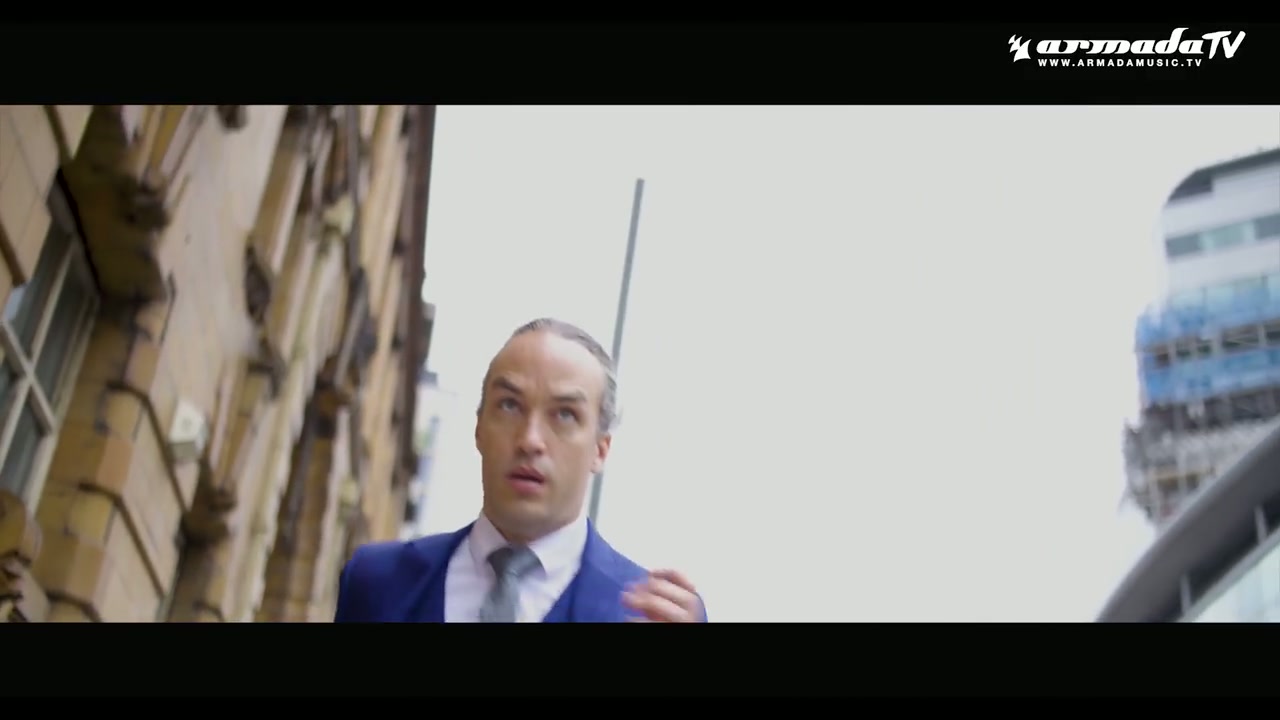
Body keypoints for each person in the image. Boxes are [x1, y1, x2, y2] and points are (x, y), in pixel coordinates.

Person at [334, 318, 707, 623]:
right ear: (479, 427)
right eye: (510, 405)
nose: (530, 440)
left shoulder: (649, 614)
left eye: (565, 415)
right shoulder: (377, 581)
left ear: (600, 449)